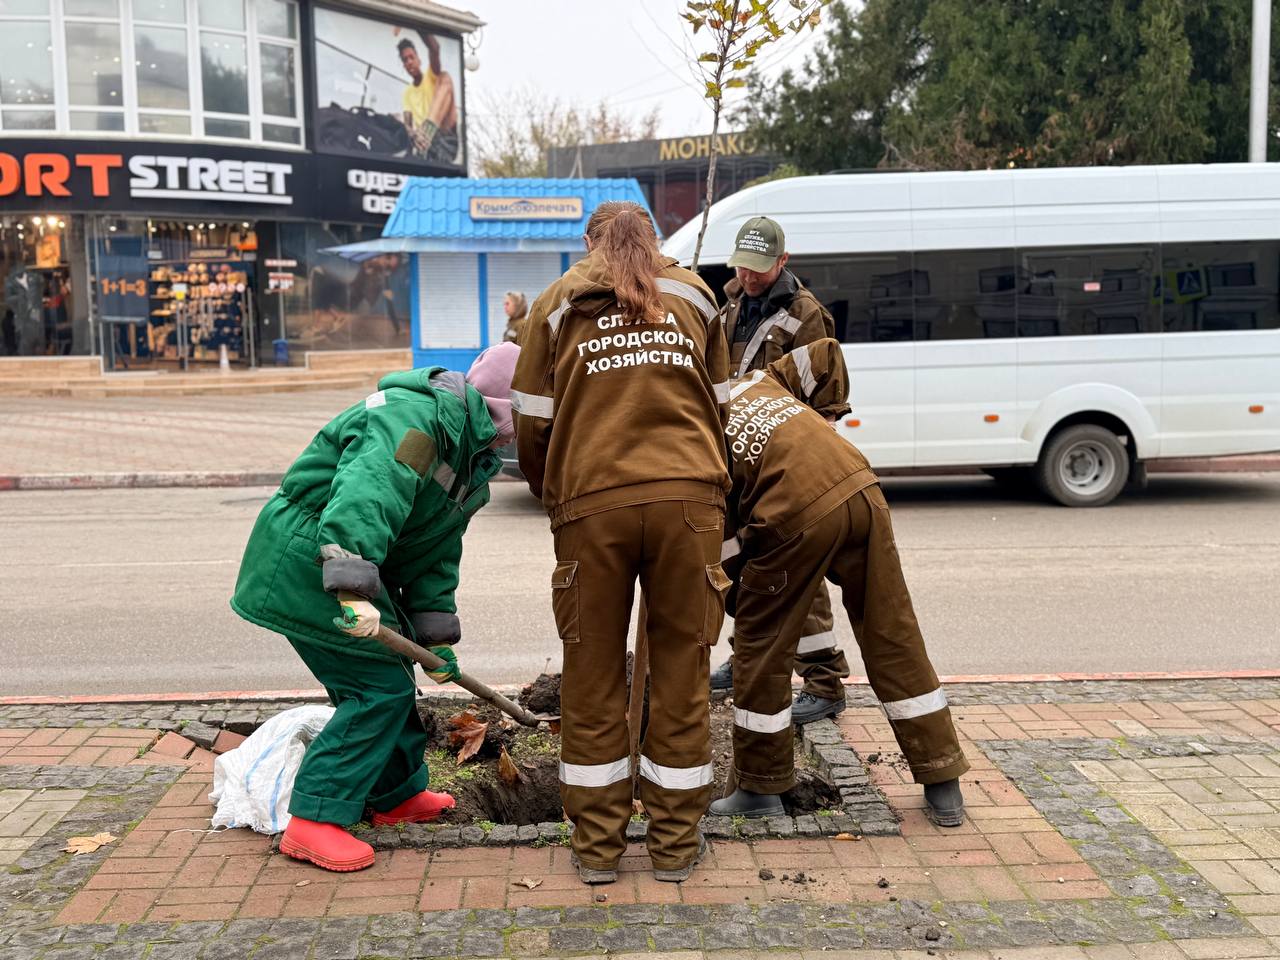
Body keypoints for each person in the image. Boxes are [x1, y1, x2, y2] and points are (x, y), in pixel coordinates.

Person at [229, 343, 520, 872]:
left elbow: (434, 552)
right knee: (375, 690)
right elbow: (368, 494)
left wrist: (432, 638)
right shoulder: (417, 422)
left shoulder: (469, 459)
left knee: (389, 680)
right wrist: (348, 586)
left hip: (346, 566)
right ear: (508, 410)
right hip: (309, 559)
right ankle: (314, 819)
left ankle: (394, 797)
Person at [511, 201, 731, 885]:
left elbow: (531, 426)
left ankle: (599, 849)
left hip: (592, 508)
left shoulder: (554, 304)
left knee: (592, 675)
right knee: (680, 672)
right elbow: (721, 407)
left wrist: (560, 496)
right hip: (689, 506)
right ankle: (673, 846)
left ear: (590, 243)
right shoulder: (696, 296)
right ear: (655, 240)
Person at [708, 339, 969, 824]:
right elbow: (825, 351)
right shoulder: (758, 379)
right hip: (859, 485)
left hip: (794, 513)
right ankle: (942, 779)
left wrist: (737, 599)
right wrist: (825, 417)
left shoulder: (693, 427)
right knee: (892, 631)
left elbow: (718, 546)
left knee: (760, 646)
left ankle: (760, 790)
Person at [711, 216, 851, 725]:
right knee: (742, 565)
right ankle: (747, 657)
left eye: (759, 270)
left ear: (783, 262)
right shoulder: (728, 307)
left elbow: (821, 399)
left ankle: (824, 682)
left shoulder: (806, 315)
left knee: (797, 567)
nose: (749, 278)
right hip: (738, 454)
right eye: (742, 268)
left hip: (784, 459)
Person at [398, 35, 457, 162]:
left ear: (419, 59)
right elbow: (408, 125)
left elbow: (435, 48)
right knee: (398, 118)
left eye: (411, 57)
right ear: (404, 65)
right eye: (405, 60)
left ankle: (428, 131)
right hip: (426, 145)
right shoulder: (407, 93)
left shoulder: (431, 77)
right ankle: (425, 137)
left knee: (445, 76)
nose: (409, 62)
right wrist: (413, 134)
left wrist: (417, 21)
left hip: (444, 135)